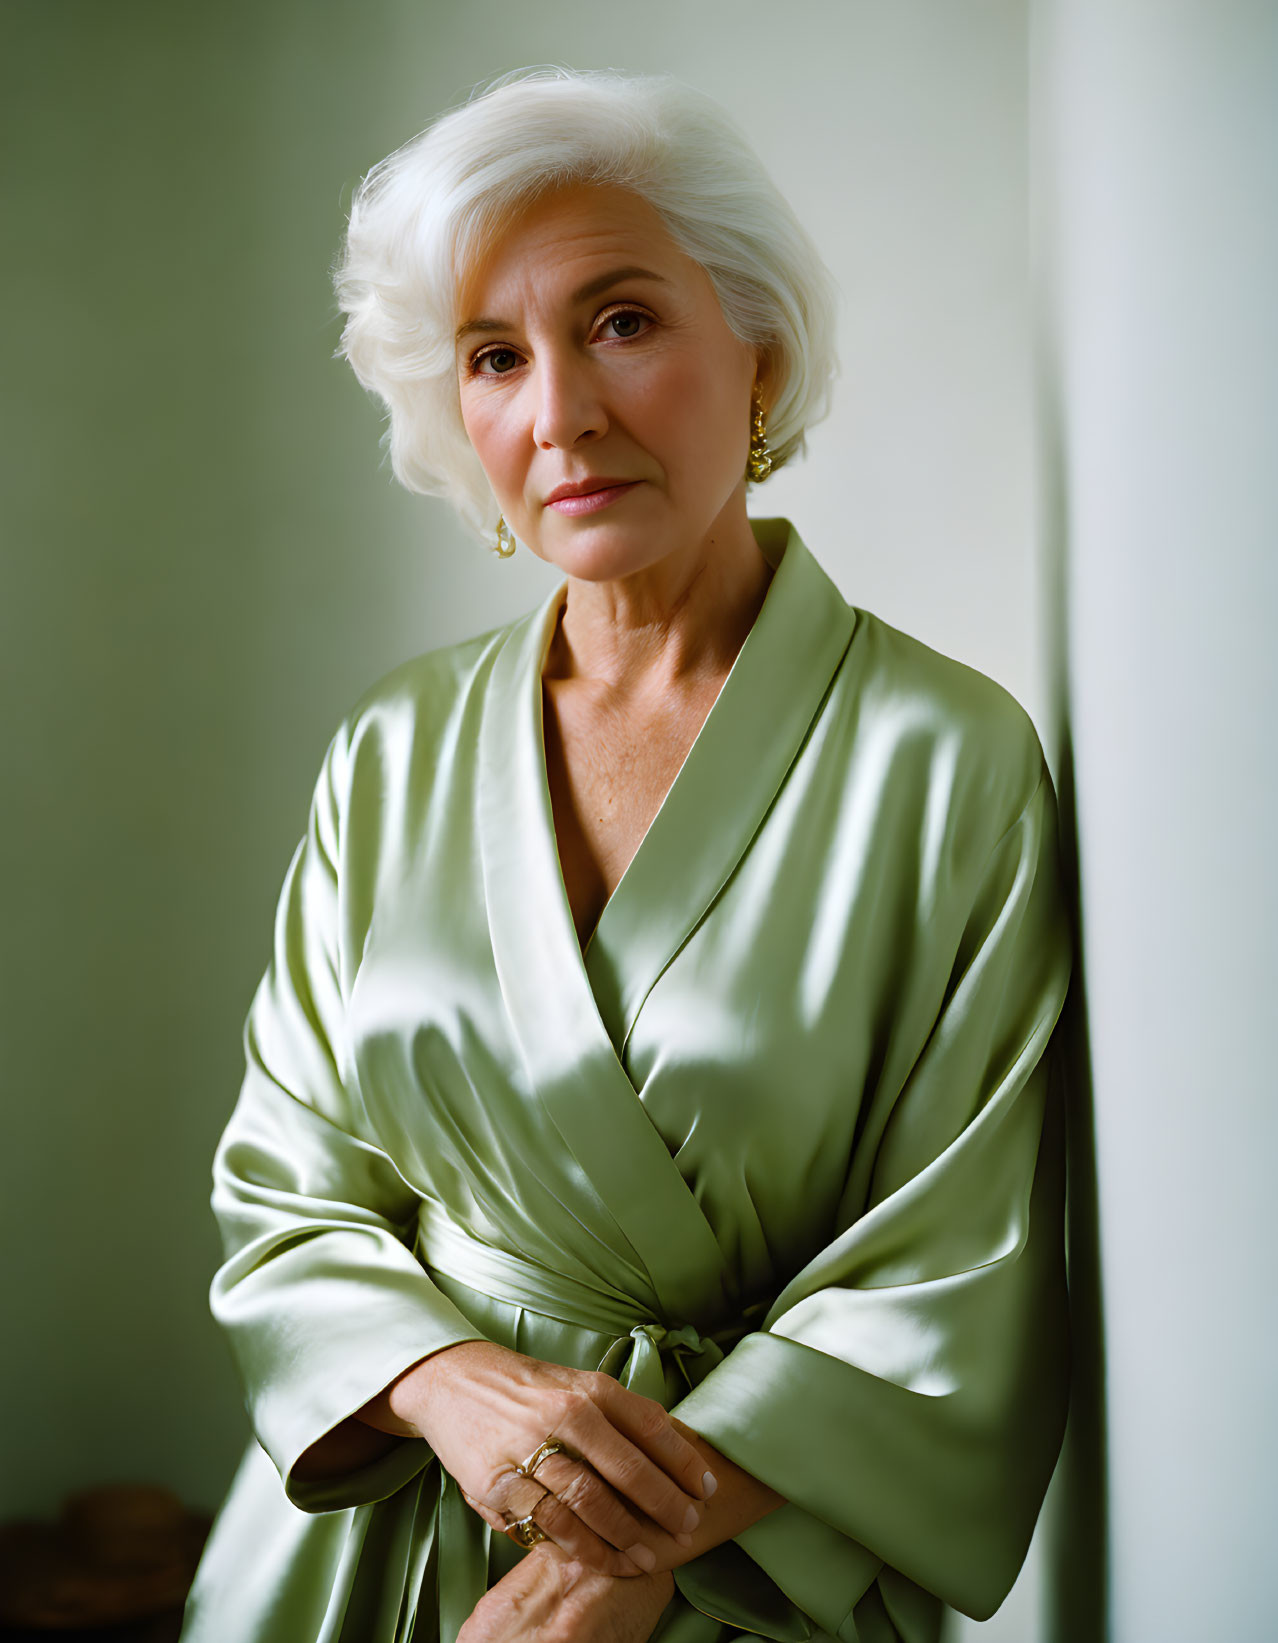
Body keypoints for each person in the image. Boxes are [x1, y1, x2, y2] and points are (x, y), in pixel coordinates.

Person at [178, 65, 1073, 1643]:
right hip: (373, 1545)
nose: (560, 415)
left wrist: (619, 1552)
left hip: (743, 1558)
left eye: (620, 322)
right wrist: (447, 1385)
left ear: (759, 350)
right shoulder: (391, 748)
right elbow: (283, 1182)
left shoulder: (947, 762)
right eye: (492, 356)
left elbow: (959, 1259)